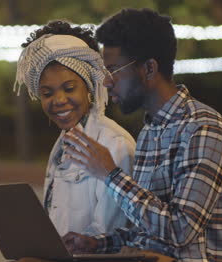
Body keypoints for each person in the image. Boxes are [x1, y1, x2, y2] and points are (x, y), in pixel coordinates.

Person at [61, 8, 222, 262]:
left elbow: (180, 230)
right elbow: (150, 230)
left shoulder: (204, 129)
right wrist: (98, 244)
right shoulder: (151, 130)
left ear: (148, 68)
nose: (106, 82)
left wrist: (110, 174)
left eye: (113, 70)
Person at [13, 21, 136, 237]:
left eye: (69, 88)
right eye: (47, 93)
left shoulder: (113, 143)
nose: (58, 100)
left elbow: (109, 236)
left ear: (89, 86)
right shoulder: (62, 143)